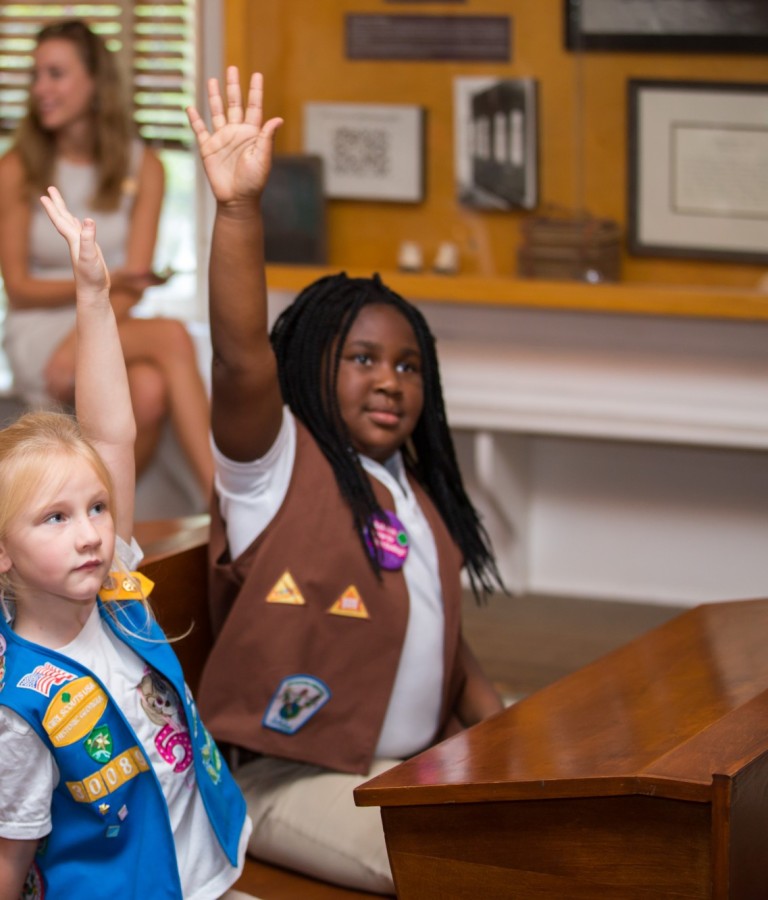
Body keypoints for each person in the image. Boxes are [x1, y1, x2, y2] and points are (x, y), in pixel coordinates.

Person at [186, 68, 505, 894]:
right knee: (469, 866)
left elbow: (446, 643)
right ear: (312, 364)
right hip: (286, 777)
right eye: (362, 358)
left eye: (408, 364)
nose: (391, 381)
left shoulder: (406, 486)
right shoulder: (275, 466)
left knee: (556, 827)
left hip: (407, 766)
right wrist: (238, 208)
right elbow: (239, 354)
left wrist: (515, 743)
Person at [0, 188, 255, 899]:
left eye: (97, 508)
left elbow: (111, 432)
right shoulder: (15, 707)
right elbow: (8, 866)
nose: (90, 534)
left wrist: (93, 295)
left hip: (208, 872)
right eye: (54, 518)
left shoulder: (113, 578)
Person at [0, 18, 213, 497]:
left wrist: (86, 333)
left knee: (151, 391)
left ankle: (104, 522)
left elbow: (130, 287)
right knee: (174, 337)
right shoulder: (17, 168)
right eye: (35, 76)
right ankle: (226, 506)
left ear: (95, 83)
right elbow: (18, 287)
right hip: (38, 330)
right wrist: (98, 286)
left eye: (56, 74)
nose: (41, 89)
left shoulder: (147, 168)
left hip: (106, 318)